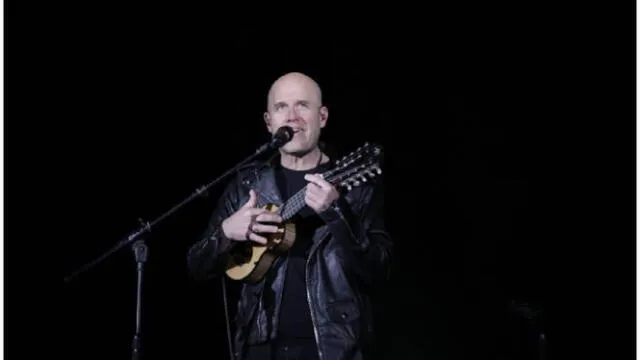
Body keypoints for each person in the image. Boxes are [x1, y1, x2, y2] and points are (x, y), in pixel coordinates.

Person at [187, 72, 392, 360]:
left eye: (302, 105)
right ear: (269, 122)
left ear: (322, 117)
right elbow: (197, 265)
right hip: (258, 349)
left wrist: (336, 213)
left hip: (333, 348)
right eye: (281, 107)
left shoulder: (355, 187)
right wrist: (226, 232)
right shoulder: (248, 183)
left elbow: (379, 271)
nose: (292, 116)